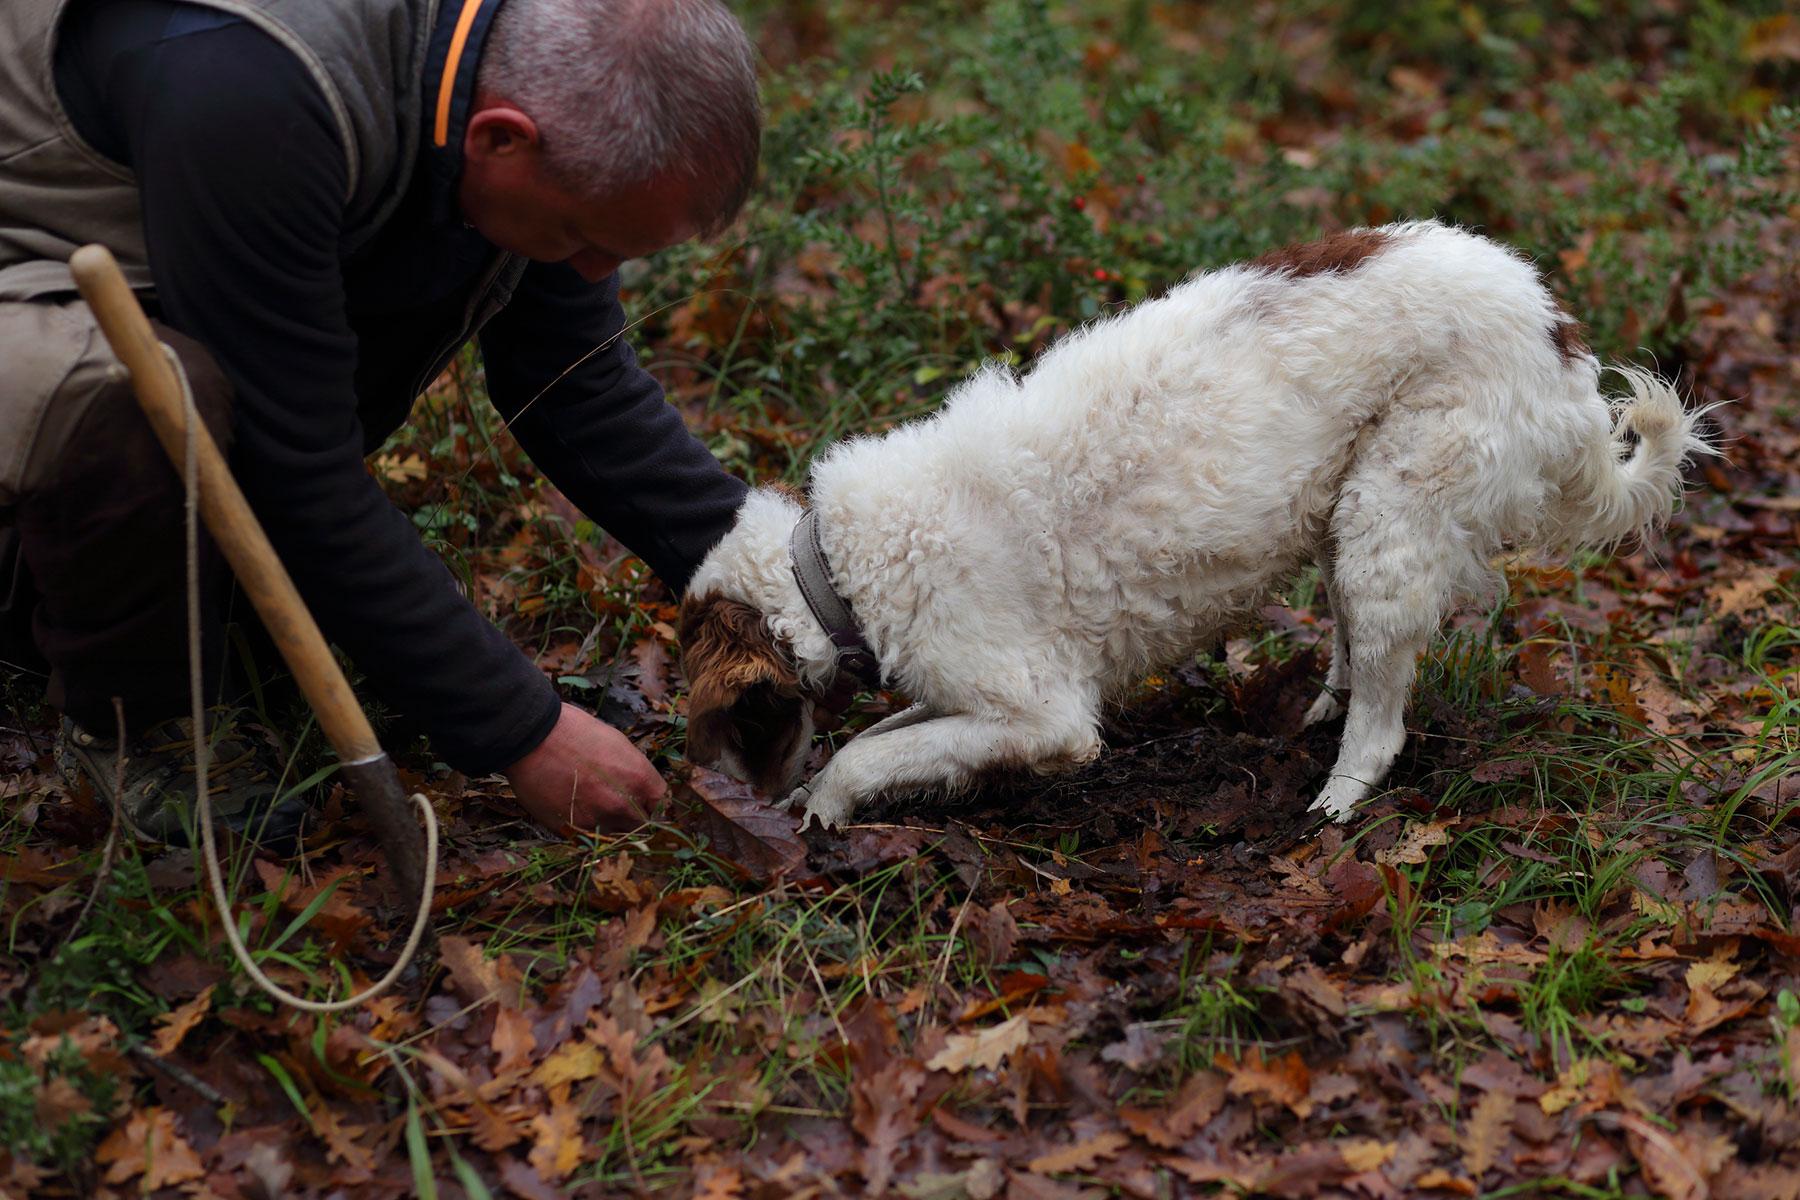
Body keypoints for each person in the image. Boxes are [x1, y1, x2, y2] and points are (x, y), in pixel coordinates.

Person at [0, 0, 760, 844]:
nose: (593, 272)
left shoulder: (508, 79)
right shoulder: (250, 92)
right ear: (501, 138)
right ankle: (135, 717)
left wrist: (785, 580)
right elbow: (296, 470)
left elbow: (578, 385)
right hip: (24, 269)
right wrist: (524, 730)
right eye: (584, 236)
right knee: (145, 395)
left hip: (191, 229)